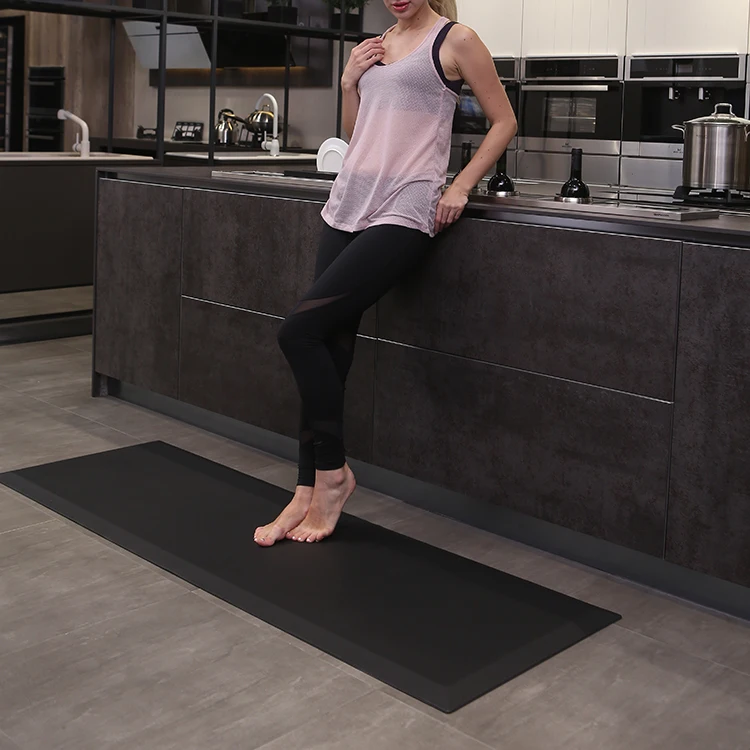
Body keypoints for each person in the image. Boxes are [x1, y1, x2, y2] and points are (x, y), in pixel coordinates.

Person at [254, 0, 517, 546]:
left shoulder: (455, 40)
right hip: (349, 201)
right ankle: (306, 488)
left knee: (298, 332)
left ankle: (333, 479)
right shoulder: (374, 46)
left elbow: (505, 120)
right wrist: (349, 83)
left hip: (405, 204)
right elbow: (359, 134)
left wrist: (460, 185)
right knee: (328, 349)